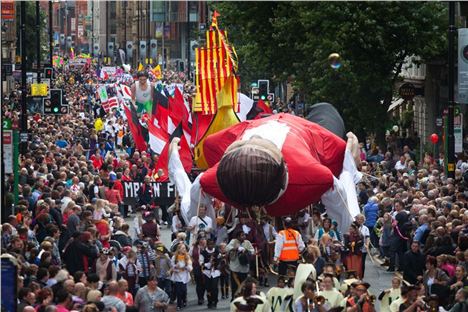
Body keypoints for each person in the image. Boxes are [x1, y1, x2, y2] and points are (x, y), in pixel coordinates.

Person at [226, 231, 255, 300]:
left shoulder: (247, 242)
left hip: (244, 268)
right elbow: (227, 248)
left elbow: (252, 250)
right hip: (235, 268)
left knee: (244, 285)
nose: (244, 237)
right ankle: (234, 299)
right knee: (235, 286)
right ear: (238, 236)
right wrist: (236, 248)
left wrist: (246, 250)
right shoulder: (233, 241)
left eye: (244, 235)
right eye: (242, 235)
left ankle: (243, 299)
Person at [200, 239, 222, 309]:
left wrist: (219, 264)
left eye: (212, 244)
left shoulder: (217, 251)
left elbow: (220, 259)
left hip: (215, 272)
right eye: (209, 244)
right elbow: (201, 262)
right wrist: (208, 264)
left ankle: (215, 302)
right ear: (207, 244)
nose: (211, 246)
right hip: (207, 273)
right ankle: (209, 302)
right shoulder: (203, 253)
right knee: (208, 288)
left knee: (214, 288)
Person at [170, 244, 193, 310]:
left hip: (184, 276)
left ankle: (184, 299)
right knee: (178, 291)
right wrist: (175, 267)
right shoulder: (174, 257)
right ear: (178, 249)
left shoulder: (187, 257)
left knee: (183, 290)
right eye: (182, 248)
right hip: (177, 276)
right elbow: (172, 266)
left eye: (184, 248)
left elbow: (190, 267)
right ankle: (179, 305)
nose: (184, 250)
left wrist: (186, 267)